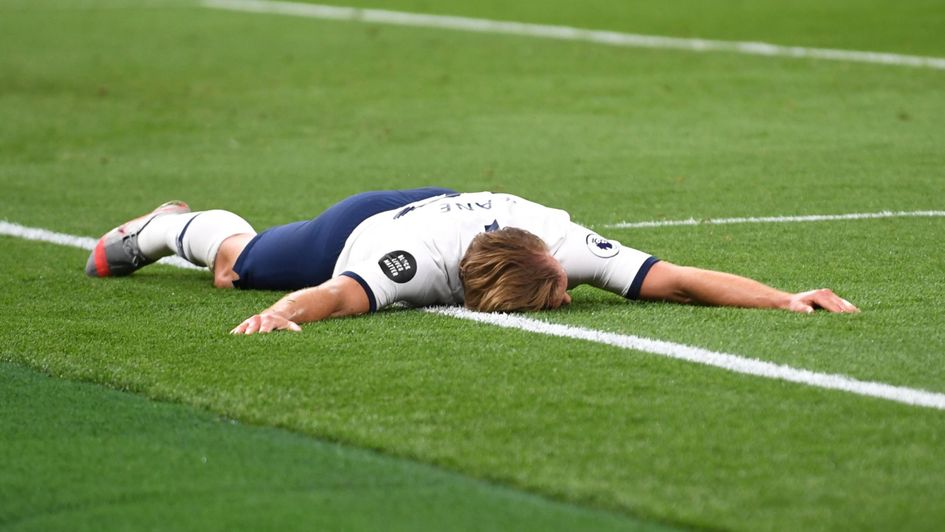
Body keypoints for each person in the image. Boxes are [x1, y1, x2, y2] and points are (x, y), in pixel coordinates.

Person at [85, 187, 859, 334]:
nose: (567, 301)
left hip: (457, 201)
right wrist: (276, 313)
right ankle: (165, 225)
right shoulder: (401, 269)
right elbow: (330, 296)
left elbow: (679, 280)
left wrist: (783, 298)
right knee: (240, 265)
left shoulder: (558, 243)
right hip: (366, 222)